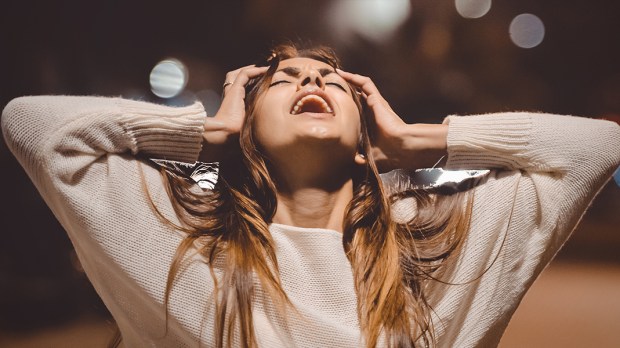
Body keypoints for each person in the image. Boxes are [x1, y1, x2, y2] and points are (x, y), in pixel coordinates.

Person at [2, 43, 619, 348]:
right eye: (285, 80)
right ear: (247, 124)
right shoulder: (178, 240)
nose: (314, 80)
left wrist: (415, 141)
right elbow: (34, 126)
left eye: (332, 80)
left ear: (363, 137)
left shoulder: (431, 253)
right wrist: (207, 131)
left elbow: (594, 148)